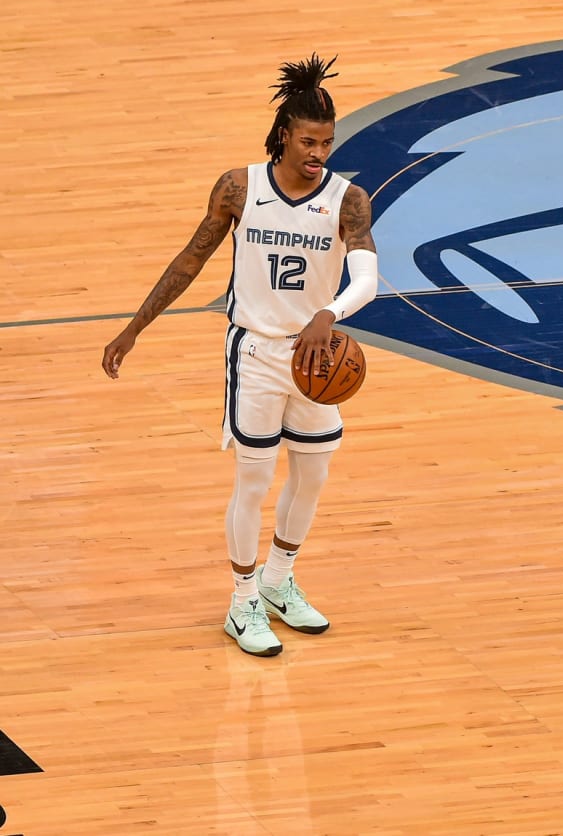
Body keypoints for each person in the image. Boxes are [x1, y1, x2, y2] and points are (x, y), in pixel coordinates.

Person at [102, 54, 379, 657]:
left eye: (327, 143)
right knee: (254, 476)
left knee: (313, 473)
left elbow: (367, 278)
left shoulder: (348, 199)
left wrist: (329, 314)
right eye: (309, 141)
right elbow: (189, 259)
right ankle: (242, 599)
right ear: (284, 134)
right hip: (254, 351)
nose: (318, 153)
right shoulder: (239, 187)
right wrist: (133, 329)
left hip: (315, 354)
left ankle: (280, 583)